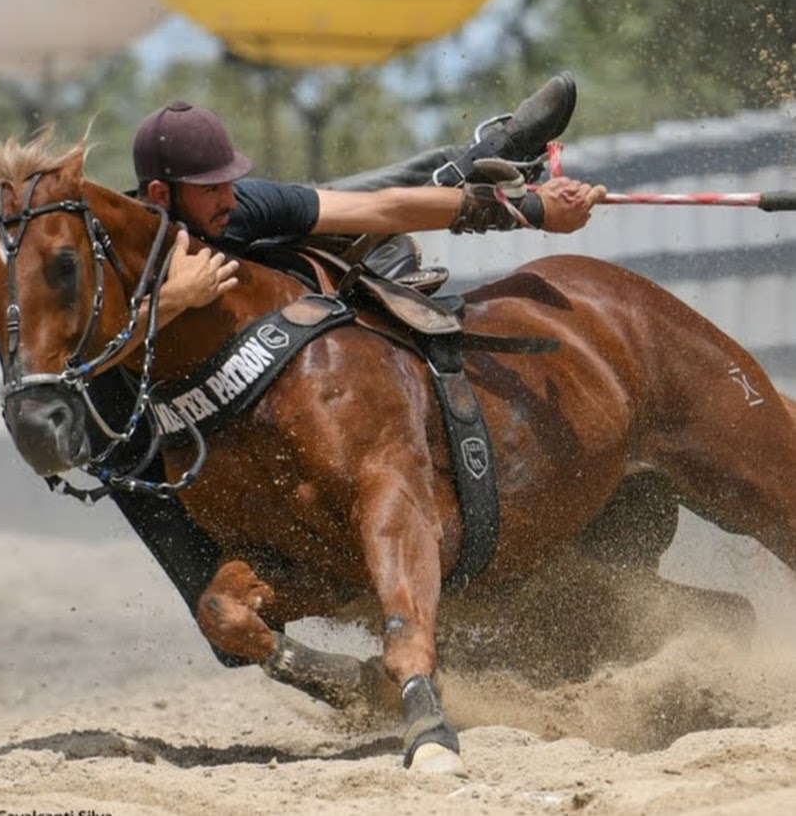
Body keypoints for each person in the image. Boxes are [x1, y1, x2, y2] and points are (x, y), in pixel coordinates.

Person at [87, 75, 606, 664]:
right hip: (143, 430)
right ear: (159, 194)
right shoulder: (111, 249)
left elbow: (380, 207)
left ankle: (480, 160)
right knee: (217, 611)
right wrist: (170, 301)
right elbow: (81, 362)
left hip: (259, 316)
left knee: (349, 202)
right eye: (209, 189)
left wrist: (526, 209)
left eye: (228, 180)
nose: (227, 197)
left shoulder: (237, 207)